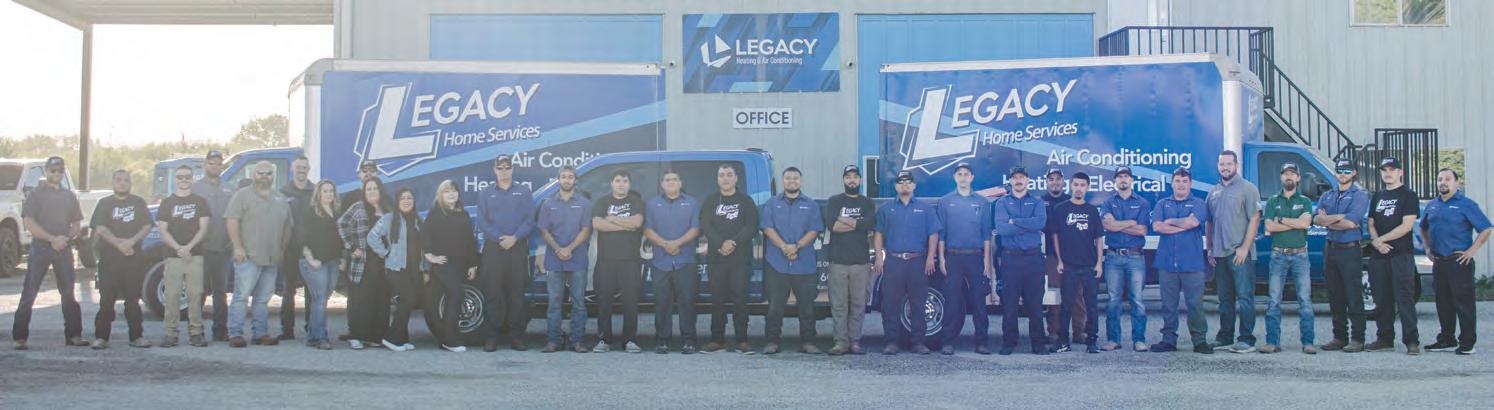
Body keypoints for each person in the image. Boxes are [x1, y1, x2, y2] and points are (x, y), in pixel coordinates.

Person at [12, 156, 86, 350]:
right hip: (41, 248)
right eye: (53, 170)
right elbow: (29, 223)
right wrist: (52, 239)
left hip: (63, 249)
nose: (56, 174)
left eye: (60, 170)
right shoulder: (36, 195)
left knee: (68, 294)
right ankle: (20, 338)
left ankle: (74, 336)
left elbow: (76, 224)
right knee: (30, 292)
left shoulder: (69, 196)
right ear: (46, 171)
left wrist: (64, 239)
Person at [1418, 168, 1492, 355]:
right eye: (1440, 179)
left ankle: (1467, 343)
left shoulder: (1466, 205)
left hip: (1459, 262)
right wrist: (1427, 248)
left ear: (1457, 183)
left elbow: (1486, 228)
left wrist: (1471, 251)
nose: (1443, 182)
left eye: (1448, 179)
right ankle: (1446, 339)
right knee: (1443, 303)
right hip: (1439, 262)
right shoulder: (1432, 205)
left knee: (1464, 304)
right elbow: (1423, 228)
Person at [224, 161, 293, 348]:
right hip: (248, 256)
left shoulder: (280, 198)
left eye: (268, 173)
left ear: (273, 176)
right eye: (260, 173)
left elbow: (288, 226)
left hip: (272, 258)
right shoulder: (242, 195)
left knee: (262, 299)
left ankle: (260, 334)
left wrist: (282, 249)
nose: (264, 176)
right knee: (241, 296)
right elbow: (232, 220)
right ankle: (235, 334)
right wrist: (237, 247)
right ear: (254, 174)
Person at [760, 167, 825, 355]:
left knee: (806, 307)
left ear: (801, 181)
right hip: (777, 263)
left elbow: (814, 230)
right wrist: (784, 247)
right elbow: (767, 228)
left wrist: (796, 247)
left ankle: (808, 342)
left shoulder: (811, 205)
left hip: (804, 264)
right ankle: (772, 342)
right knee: (775, 307)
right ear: (783, 181)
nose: (792, 181)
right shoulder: (772, 204)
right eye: (788, 178)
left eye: (795, 178)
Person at [874, 171, 940, 355]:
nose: (904, 185)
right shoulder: (886, 209)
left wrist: (930, 257)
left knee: (918, 303)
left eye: (908, 182)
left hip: (917, 262)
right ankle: (891, 342)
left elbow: (933, 234)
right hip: (893, 262)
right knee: (890, 304)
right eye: (901, 182)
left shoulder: (925, 209)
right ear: (896, 186)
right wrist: (879, 257)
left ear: (914, 186)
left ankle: (918, 343)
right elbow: (878, 234)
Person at [1150, 167, 1214, 354]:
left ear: (1190, 184)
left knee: (1195, 304)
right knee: (1168, 305)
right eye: (1177, 181)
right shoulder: (1162, 203)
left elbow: (1193, 223)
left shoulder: (1199, 203)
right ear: (1172, 183)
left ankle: (1199, 341)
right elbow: (1157, 227)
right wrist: (1182, 224)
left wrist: (1170, 221)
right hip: (1167, 263)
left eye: (1185, 181)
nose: (1181, 184)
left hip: (1192, 263)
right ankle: (1168, 340)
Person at [89, 169, 155, 349]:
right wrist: (119, 244)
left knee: (132, 301)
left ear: (130, 183)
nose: (122, 183)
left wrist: (131, 241)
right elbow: (100, 228)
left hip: (133, 261)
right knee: (106, 301)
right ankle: (101, 337)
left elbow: (147, 225)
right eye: (118, 180)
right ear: (113, 182)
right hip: (109, 262)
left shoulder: (138, 202)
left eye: (126, 180)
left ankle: (136, 337)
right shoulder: (104, 203)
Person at [477, 155, 535, 352]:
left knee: (516, 295)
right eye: (500, 167)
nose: (503, 171)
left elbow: (529, 219)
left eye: (507, 167)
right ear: (495, 170)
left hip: (517, 248)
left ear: (512, 169)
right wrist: (500, 238)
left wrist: (515, 237)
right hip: (494, 249)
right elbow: (482, 221)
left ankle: (516, 337)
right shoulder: (486, 193)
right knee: (492, 294)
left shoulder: (523, 191)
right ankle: (491, 337)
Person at [699, 164, 759, 353]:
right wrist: (720, 244)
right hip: (716, 258)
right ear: (717, 179)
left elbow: (751, 226)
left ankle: (742, 340)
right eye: (722, 175)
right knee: (717, 300)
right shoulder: (710, 201)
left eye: (729, 174)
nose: (725, 178)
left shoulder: (746, 201)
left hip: (740, 258)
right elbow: (706, 225)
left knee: (740, 299)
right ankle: (717, 340)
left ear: (736, 178)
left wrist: (733, 242)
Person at [1206, 150, 1262, 353]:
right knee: (1225, 300)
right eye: (1222, 164)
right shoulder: (1213, 192)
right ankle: (1225, 337)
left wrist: (1245, 248)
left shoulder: (1248, 188)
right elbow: (1209, 222)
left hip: (1240, 254)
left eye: (1229, 164)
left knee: (1245, 298)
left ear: (1236, 165)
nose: (1225, 167)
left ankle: (1246, 339)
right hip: (1220, 255)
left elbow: (1255, 218)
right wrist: (1210, 248)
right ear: (1218, 166)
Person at [935, 163, 994, 355]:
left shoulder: (982, 202)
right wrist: (941, 258)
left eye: (966, 174)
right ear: (955, 178)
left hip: (976, 257)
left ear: (972, 177)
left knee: (979, 302)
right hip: (953, 256)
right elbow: (941, 233)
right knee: (952, 302)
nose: (963, 177)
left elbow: (986, 234)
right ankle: (947, 342)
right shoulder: (945, 202)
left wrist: (987, 260)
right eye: (959, 174)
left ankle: (981, 343)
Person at [1313, 159, 1371, 353]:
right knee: (1335, 295)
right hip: (1331, 248)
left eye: (1347, 171)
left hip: (1350, 249)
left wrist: (1328, 220)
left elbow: (1351, 223)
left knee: (1353, 295)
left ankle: (1357, 339)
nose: (1343, 174)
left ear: (1353, 173)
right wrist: (1338, 218)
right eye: (1339, 171)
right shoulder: (1327, 195)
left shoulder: (1359, 195)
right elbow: (1317, 219)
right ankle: (1339, 337)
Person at [1366, 157, 1421, 355]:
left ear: (1400, 172)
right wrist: (1376, 242)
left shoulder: (1409, 195)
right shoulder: (1378, 196)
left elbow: (1406, 226)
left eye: (1392, 169)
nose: (1388, 173)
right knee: (1382, 299)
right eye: (1384, 170)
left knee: (1404, 298)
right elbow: (1371, 222)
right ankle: (1385, 339)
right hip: (1379, 256)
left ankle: (1411, 341)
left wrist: (1380, 240)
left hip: (1401, 255)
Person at [644, 170, 703, 354]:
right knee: (662, 303)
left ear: (680, 183)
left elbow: (696, 229)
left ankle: (689, 341)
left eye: (675, 179)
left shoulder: (692, 203)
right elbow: (647, 229)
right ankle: (662, 341)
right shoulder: (652, 204)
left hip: (685, 260)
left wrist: (677, 243)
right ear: (662, 184)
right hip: (660, 261)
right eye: (667, 180)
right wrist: (665, 244)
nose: (671, 182)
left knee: (687, 302)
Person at [1261, 163, 1317, 354]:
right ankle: (1272, 342)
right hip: (1278, 254)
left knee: (1305, 300)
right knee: (1274, 300)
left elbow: (1306, 223)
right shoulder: (1272, 201)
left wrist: (1282, 220)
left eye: (1293, 174)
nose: (1289, 177)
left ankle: (1308, 342)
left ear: (1298, 178)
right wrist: (1295, 223)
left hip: (1301, 255)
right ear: (1281, 177)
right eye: (1286, 174)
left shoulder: (1305, 201)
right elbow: (1269, 227)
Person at [537, 166, 594, 353]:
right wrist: (558, 249)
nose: (567, 180)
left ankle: (577, 341)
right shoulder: (548, 204)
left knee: (579, 303)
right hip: (554, 260)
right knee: (554, 303)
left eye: (570, 177)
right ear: (558, 180)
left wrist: (568, 249)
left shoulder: (585, 204)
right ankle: (553, 341)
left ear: (575, 180)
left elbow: (586, 230)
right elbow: (544, 230)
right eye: (563, 177)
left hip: (577, 259)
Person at [994, 166, 1049, 355]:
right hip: (1011, 259)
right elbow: (1002, 229)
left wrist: (1015, 221)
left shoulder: (1037, 201)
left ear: (1027, 180)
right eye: (1015, 177)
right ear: (1010, 181)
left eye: (1022, 177)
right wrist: (1027, 224)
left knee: (1035, 305)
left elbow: (1039, 223)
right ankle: (1009, 342)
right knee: (1009, 304)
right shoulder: (1002, 203)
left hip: (1034, 259)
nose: (1018, 180)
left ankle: (1038, 344)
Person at [591, 171, 647, 354]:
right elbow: (597, 224)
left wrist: (613, 219)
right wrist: (625, 226)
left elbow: (637, 223)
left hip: (630, 261)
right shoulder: (602, 201)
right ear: (611, 183)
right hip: (606, 261)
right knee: (604, 302)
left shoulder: (636, 201)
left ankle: (629, 340)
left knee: (630, 302)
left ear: (629, 184)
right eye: (617, 181)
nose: (621, 184)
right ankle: (604, 339)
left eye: (625, 181)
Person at [823, 165, 876, 355]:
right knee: (839, 305)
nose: (852, 180)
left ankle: (855, 342)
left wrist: (844, 219)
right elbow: (833, 226)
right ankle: (840, 342)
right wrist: (857, 225)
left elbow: (869, 224)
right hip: (838, 261)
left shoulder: (867, 202)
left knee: (858, 304)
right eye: (848, 177)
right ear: (843, 180)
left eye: (855, 177)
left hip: (860, 262)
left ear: (860, 180)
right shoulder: (834, 201)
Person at [157, 165, 212, 348]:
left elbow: (204, 228)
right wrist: (179, 249)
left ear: (192, 179)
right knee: (172, 296)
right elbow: (163, 231)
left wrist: (188, 247)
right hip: (173, 256)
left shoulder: (200, 202)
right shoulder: (167, 203)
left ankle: (196, 333)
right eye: (180, 177)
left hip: (195, 256)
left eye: (187, 177)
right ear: (175, 179)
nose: (184, 180)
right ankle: (170, 333)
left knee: (195, 296)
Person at [367, 188, 428, 352]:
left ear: (413, 201)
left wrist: (425, 268)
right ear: (397, 202)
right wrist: (385, 253)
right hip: (396, 268)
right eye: (402, 198)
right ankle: (391, 338)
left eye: (409, 198)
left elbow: (423, 246)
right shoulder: (389, 219)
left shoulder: (417, 220)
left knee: (407, 303)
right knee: (407, 300)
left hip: (414, 268)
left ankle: (402, 338)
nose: (406, 201)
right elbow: (372, 237)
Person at [422, 180, 478, 352]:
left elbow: (470, 240)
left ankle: (446, 339)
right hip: (444, 263)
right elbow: (425, 235)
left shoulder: (463, 214)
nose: (451, 194)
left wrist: (473, 264)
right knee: (456, 294)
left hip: (460, 264)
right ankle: (449, 340)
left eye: (454, 190)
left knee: (454, 297)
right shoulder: (436, 213)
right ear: (440, 195)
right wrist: (430, 256)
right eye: (447, 191)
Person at [1051, 172, 1103, 354]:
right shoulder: (1061, 209)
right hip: (1069, 266)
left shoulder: (1092, 211)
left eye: (1082, 185)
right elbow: (1055, 235)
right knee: (1066, 305)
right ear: (1070, 186)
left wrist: (1099, 263)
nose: (1079, 188)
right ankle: (1063, 341)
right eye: (1076, 185)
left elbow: (1099, 238)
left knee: (1091, 305)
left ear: (1087, 188)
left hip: (1089, 266)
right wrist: (1059, 260)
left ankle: (1092, 341)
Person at [1100, 166, 1151, 352]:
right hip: (1113, 256)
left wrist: (1117, 224)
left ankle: (1139, 340)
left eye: (1126, 176)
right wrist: (1130, 223)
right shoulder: (1108, 202)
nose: (1123, 179)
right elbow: (1108, 226)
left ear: (1131, 180)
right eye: (1120, 176)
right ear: (1115, 180)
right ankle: (1113, 340)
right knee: (1113, 300)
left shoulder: (1142, 203)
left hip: (1135, 257)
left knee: (1137, 300)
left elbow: (1143, 230)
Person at [338, 177, 391, 350]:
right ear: (364, 192)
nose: (372, 191)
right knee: (361, 300)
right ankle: (356, 336)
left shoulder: (387, 209)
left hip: (383, 263)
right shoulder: (358, 207)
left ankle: (376, 336)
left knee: (381, 300)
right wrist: (352, 247)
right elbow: (341, 224)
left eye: (375, 188)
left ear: (380, 190)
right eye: (369, 189)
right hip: (363, 262)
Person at [191, 150, 236, 341]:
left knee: (220, 293)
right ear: (205, 165)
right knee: (198, 292)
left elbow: (235, 216)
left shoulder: (229, 188)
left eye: (218, 163)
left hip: (223, 249)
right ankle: (196, 331)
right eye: (211, 163)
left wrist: (233, 241)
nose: (215, 166)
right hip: (201, 248)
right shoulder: (195, 188)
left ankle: (220, 331)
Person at [294, 180, 342, 350]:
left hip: (332, 261)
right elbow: (302, 237)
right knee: (320, 299)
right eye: (325, 191)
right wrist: (310, 258)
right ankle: (322, 337)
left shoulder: (336, 212)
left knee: (321, 300)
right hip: (314, 261)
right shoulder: (310, 212)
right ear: (318, 194)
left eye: (331, 191)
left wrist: (342, 258)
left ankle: (312, 337)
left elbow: (339, 238)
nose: (329, 194)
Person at [1040, 168, 1084, 345]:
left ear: (1063, 182)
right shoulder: (1040, 202)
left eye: (1058, 179)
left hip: (1074, 255)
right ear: (1047, 182)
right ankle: (1054, 332)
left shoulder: (1071, 201)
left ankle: (1079, 331)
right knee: (1054, 295)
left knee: (1077, 295)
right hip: (1051, 255)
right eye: (1051, 179)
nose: (1055, 182)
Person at [277, 155, 314, 341]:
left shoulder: (315, 191)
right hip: (289, 248)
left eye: (304, 167)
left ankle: (311, 327)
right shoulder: (283, 192)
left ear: (309, 169)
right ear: (293, 169)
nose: (301, 170)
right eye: (298, 167)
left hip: (310, 249)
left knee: (311, 291)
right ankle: (287, 329)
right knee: (288, 289)